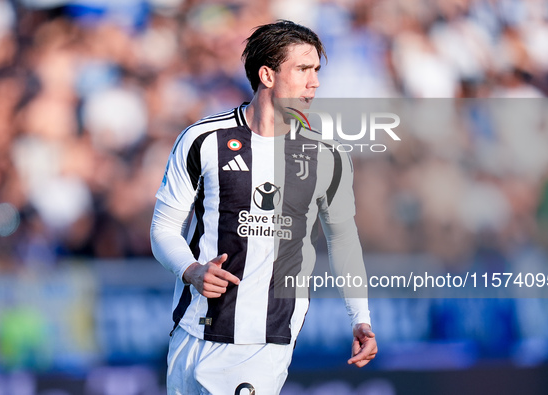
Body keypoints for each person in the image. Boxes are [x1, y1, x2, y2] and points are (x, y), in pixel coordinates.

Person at [150, 20, 377, 395]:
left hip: (263, 340)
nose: (314, 82)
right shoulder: (202, 141)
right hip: (192, 331)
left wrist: (361, 319)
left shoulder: (327, 156)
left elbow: (344, 242)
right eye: (303, 70)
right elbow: (163, 229)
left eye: (317, 71)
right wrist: (191, 270)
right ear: (267, 75)